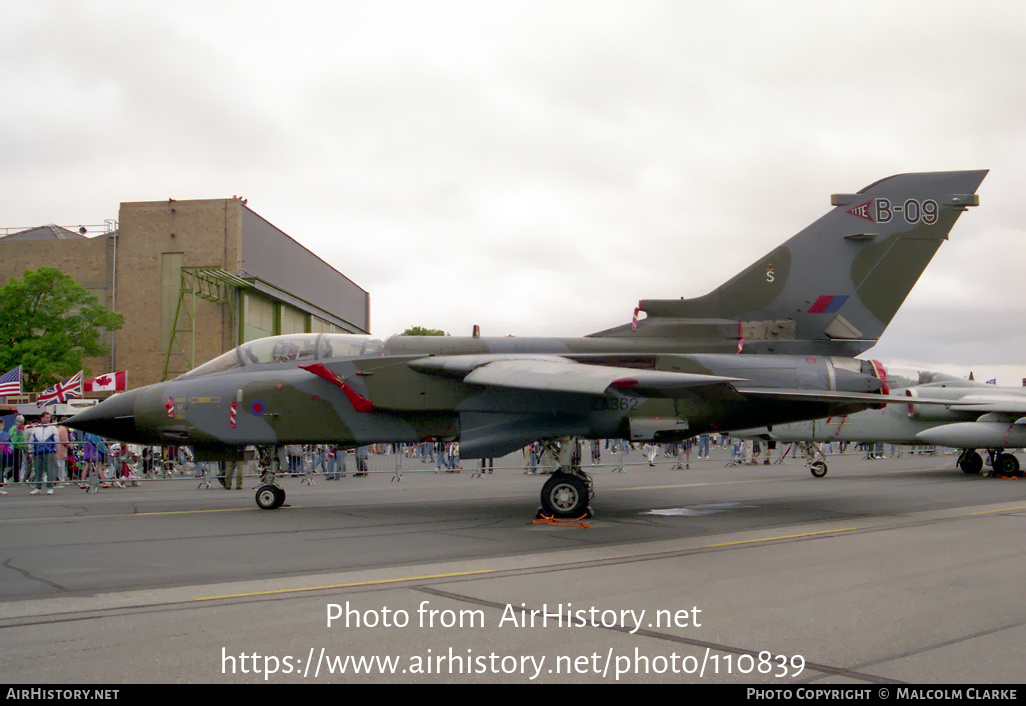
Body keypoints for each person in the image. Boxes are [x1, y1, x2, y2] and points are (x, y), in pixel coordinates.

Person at [27, 411, 59, 494]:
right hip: (37, 452)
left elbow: (56, 440)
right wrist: (30, 451)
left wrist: (56, 450)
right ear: (42, 418)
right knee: (38, 470)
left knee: (50, 469)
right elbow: (31, 440)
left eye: (49, 417)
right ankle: (37, 487)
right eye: (46, 417)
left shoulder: (53, 428)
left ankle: (50, 487)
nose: (48, 419)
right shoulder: (36, 428)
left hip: (49, 451)